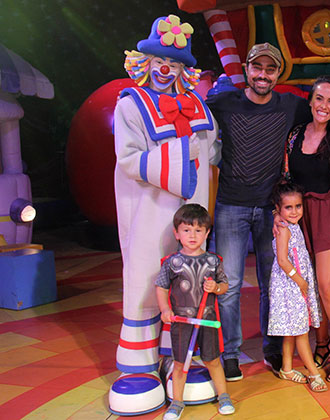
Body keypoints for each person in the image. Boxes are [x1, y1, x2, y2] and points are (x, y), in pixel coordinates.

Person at [111, 14, 220, 414]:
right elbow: (128, 159)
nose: (165, 69)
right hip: (149, 209)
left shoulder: (198, 106)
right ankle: (138, 366)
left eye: (174, 64)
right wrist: (180, 155)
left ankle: (179, 359)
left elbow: (212, 153)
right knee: (145, 279)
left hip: (191, 213)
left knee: (188, 281)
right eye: (159, 61)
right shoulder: (131, 104)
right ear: (145, 62)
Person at [206, 42, 311, 381]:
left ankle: (274, 349)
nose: (263, 75)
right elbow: (188, 112)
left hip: (270, 209)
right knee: (230, 284)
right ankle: (230, 354)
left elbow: (326, 115)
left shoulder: (291, 105)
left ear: (278, 74)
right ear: (247, 70)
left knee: (273, 282)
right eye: (257, 67)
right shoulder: (223, 102)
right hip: (230, 205)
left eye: (270, 69)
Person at [278, 75, 330, 382]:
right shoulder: (295, 134)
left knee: (327, 286)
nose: (324, 105)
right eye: (319, 98)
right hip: (298, 215)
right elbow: (286, 177)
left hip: (328, 212)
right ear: (310, 101)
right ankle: (322, 343)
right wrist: (280, 213)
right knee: (308, 285)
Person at [156, 204, 234, 419]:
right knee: (181, 363)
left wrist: (215, 288)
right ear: (177, 233)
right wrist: (165, 309)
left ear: (207, 233)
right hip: (182, 322)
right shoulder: (172, 262)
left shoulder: (213, 261)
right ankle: (177, 402)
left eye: (198, 230)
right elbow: (161, 287)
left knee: (213, 360)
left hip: (207, 320)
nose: (192, 235)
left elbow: (225, 286)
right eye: (186, 230)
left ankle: (224, 396)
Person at [268, 182, 327, 392]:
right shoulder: (284, 230)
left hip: (295, 283)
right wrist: (300, 281)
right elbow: (283, 260)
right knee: (301, 332)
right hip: (291, 286)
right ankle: (314, 373)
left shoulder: (293, 226)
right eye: (288, 207)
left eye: (298, 206)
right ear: (278, 208)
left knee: (293, 330)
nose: (294, 212)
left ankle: (286, 368)